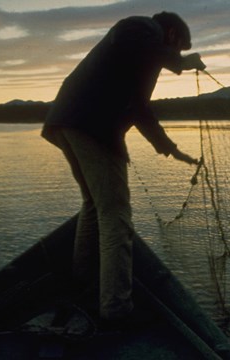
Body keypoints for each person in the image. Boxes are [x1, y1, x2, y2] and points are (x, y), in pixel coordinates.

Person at [41, 11, 205, 323]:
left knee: (94, 206)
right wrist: (182, 62)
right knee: (116, 217)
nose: (176, 56)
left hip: (67, 122)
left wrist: (169, 148)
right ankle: (116, 309)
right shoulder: (141, 27)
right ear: (171, 35)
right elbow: (137, 44)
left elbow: (140, 109)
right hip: (91, 127)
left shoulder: (141, 60)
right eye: (179, 47)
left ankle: (84, 284)